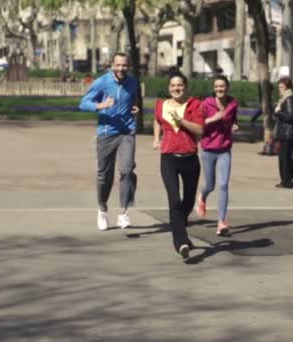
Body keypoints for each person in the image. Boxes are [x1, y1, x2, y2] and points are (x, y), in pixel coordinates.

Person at [79, 53, 140, 231]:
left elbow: (133, 98)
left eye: (124, 65)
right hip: (106, 133)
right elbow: (83, 103)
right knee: (104, 174)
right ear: (112, 65)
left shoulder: (133, 82)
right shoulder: (102, 82)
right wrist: (101, 106)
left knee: (127, 170)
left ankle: (123, 213)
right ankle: (102, 209)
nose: (121, 68)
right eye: (118, 65)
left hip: (127, 131)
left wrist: (133, 106)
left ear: (128, 66)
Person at [153, 71, 205, 260]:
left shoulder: (195, 105)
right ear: (169, 88)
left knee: (188, 201)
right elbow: (157, 120)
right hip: (168, 158)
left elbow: (200, 129)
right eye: (173, 85)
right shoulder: (161, 105)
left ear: (185, 86)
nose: (176, 88)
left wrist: (181, 121)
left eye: (180, 85)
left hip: (190, 158)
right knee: (174, 200)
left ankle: (179, 227)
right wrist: (156, 138)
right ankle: (181, 242)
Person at [195, 76, 239, 236]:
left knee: (223, 185)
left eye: (222, 86)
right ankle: (202, 197)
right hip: (208, 150)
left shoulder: (233, 103)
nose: (220, 89)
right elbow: (198, 124)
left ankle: (221, 222)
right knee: (210, 185)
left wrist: (235, 124)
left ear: (227, 87)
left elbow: (234, 118)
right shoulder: (206, 104)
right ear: (214, 89)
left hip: (224, 150)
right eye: (217, 86)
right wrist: (214, 118)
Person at [273, 77, 293, 188]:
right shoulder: (285, 99)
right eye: (279, 87)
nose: (280, 89)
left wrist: (278, 112)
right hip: (286, 132)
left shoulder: (289, 99)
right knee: (285, 157)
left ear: (288, 88)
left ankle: (287, 182)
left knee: (284, 158)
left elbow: (291, 116)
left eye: (282, 87)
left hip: (289, 133)